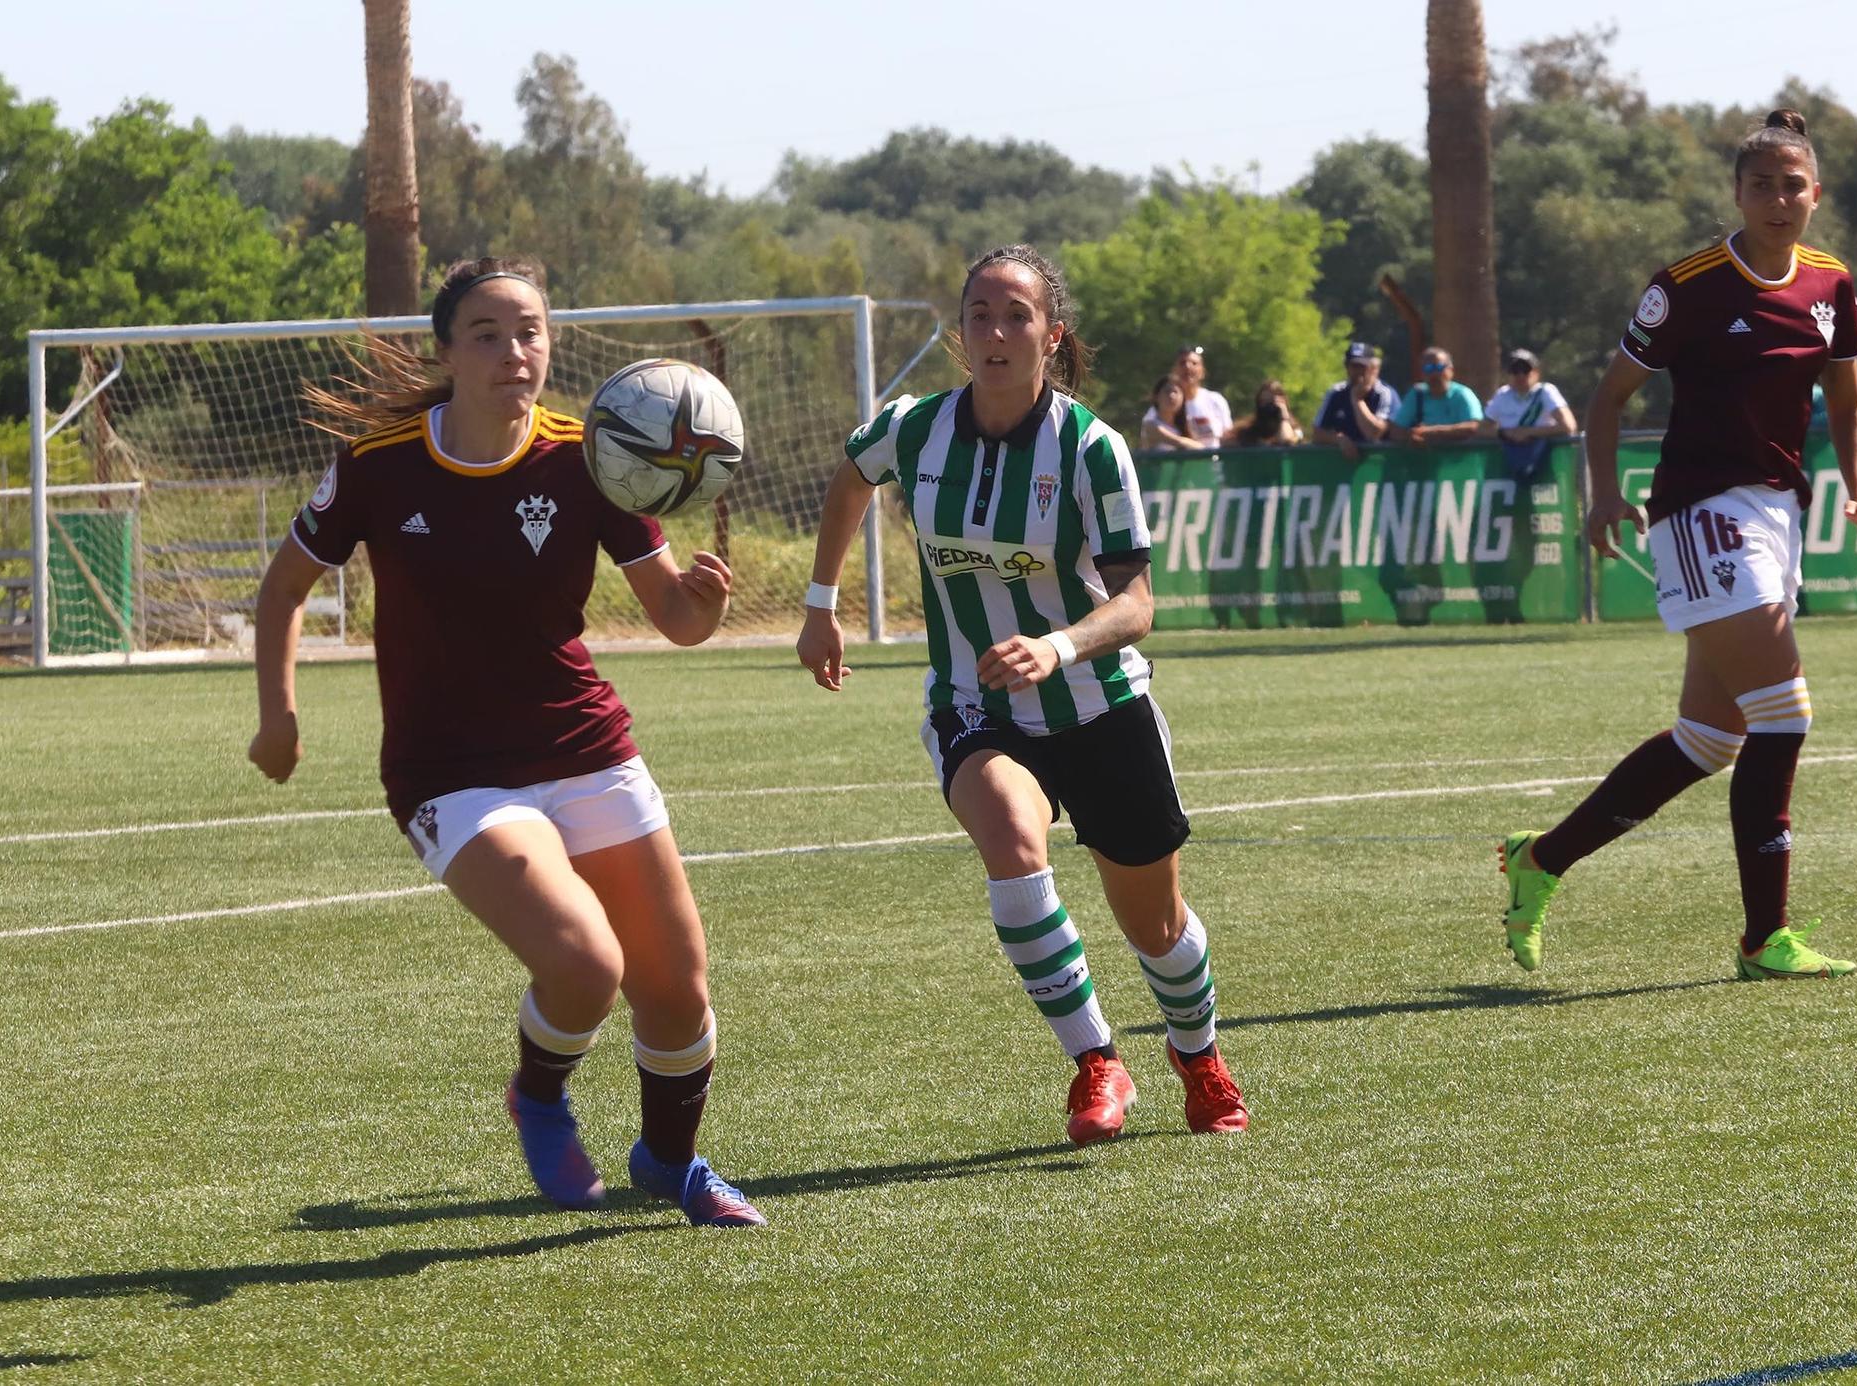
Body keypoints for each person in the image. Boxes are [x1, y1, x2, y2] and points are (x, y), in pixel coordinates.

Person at [248, 256, 765, 1226]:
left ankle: (670, 1161)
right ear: (448, 350)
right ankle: (538, 1093)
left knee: (676, 989)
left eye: (528, 331)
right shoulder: (380, 464)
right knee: (583, 964)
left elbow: (676, 623)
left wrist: (699, 606)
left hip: (584, 745)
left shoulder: (594, 456)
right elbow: (281, 588)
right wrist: (278, 714)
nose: (512, 352)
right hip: (451, 774)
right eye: (486, 333)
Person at [795, 243, 1249, 1146]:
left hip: (1101, 703)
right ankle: (1095, 1061)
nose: (996, 332)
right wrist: (818, 604)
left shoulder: (1091, 449)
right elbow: (852, 476)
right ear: (960, 334)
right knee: (1010, 839)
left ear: (1051, 335)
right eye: (979, 315)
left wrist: (1057, 643)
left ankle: (1196, 1054)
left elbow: (1138, 604)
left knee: (1156, 928)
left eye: (1016, 316)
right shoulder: (912, 429)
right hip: (977, 705)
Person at [1498, 110, 1857, 981]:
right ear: (1738, 194)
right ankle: (1765, 938)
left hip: (1778, 515)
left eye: (1794, 185)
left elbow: (1848, 405)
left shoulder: (1831, 284)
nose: (1780, 199)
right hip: (1701, 512)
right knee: (1786, 715)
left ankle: (1540, 861)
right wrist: (1605, 493)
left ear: (1816, 193)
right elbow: (1607, 401)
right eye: (1763, 185)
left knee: (1709, 740)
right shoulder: (1688, 285)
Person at [1479, 348, 1578, 480]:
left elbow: (1568, 426)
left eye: (1525, 370)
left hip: (1545, 462)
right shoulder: (1502, 395)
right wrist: (1505, 433)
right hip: (1509, 464)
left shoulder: (1545, 392)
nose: (1520, 375)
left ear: (1536, 373)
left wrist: (1529, 432)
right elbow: (1481, 429)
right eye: (1515, 370)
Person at [1311, 342, 1399, 461]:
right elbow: (1317, 434)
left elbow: (1373, 434)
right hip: (1344, 468)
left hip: (1381, 466)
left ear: (1372, 369)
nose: (1358, 372)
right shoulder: (1336, 392)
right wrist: (1339, 439)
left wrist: (1357, 400)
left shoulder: (1384, 393)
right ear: (1347, 367)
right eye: (1354, 366)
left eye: (1362, 367)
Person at [1392, 346, 1483, 445]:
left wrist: (1431, 432)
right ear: (1422, 373)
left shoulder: (1463, 394)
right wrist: (1410, 436)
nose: (1434, 374)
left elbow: (1474, 427)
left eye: (1438, 368)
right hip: (1425, 458)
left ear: (1451, 370)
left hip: (1459, 458)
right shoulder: (1416, 394)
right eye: (1428, 369)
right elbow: (1396, 430)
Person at [1174, 344, 1233, 448]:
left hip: (1213, 462)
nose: (1187, 367)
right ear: (1175, 371)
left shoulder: (1215, 400)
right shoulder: (1167, 403)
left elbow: (1228, 437)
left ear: (1202, 372)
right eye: (1182, 363)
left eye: (1194, 363)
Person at [1228, 379, 1302, 447]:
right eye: (1264, 402)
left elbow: (1288, 441)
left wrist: (1283, 417)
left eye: (1271, 402)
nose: (1267, 407)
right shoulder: (1245, 430)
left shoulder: (1295, 430)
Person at [1138, 374, 1199, 450]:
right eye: (1167, 392)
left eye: (1176, 392)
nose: (1172, 396)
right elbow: (1180, 442)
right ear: (1156, 397)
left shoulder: (1187, 423)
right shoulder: (1150, 425)